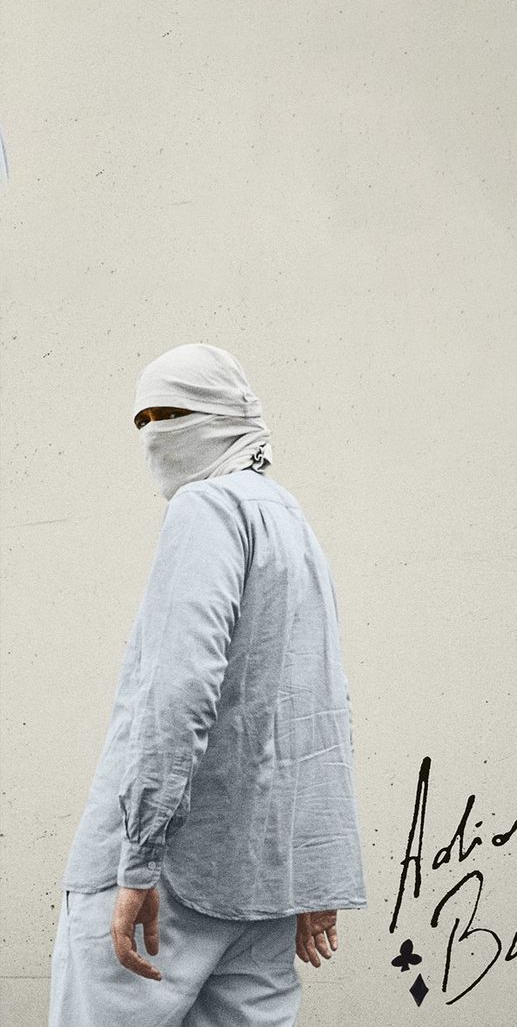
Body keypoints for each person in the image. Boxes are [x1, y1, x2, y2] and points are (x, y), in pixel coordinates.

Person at [48, 343, 367, 1027]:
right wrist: (315, 874)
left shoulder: (206, 509)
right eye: (145, 417)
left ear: (228, 414)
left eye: (173, 413)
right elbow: (314, 714)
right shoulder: (291, 523)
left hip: (163, 883)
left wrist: (136, 864)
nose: (155, 434)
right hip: (260, 889)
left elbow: (177, 695)